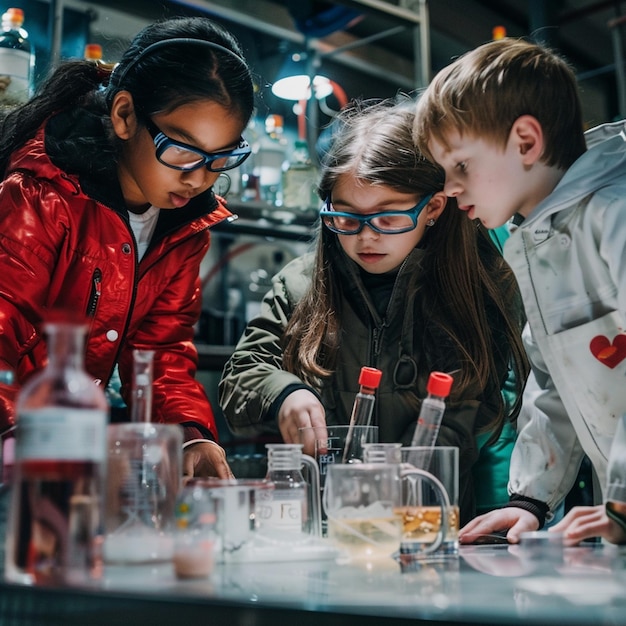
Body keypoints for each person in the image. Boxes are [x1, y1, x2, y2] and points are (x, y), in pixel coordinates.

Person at [218, 98, 529, 525]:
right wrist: (285, 393)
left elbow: (473, 416)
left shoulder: (474, 291)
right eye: (346, 217)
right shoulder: (301, 284)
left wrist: (407, 472)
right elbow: (242, 374)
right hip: (324, 525)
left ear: (433, 208)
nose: (366, 238)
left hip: (427, 525)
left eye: (387, 218)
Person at [0, 16, 256, 480]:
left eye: (221, 157)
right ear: (124, 115)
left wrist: (190, 434)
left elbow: (162, 352)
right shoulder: (41, 198)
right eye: (182, 149)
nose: (198, 177)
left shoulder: (183, 229)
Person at [413, 36, 626, 545]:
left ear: (526, 142)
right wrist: (529, 499)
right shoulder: (533, 241)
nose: (449, 189)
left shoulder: (614, 213)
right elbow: (555, 381)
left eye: (460, 166)